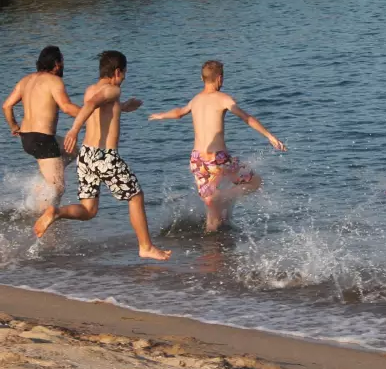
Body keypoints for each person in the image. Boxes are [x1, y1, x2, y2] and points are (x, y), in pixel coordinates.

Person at [33, 51, 171, 261]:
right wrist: (73, 130)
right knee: (136, 196)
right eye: (124, 73)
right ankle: (146, 246)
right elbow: (92, 105)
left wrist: (123, 107)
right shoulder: (113, 90)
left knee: (89, 210)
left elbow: (98, 107)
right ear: (117, 72)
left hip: (87, 156)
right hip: (104, 156)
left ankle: (56, 212)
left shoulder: (92, 89)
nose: (124, 78)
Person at [149, 60, 286, 232]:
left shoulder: (195, 100)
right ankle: (224, 197)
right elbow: (246, 117)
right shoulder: (224, 99)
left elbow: (178, 113)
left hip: (197, 159)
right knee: (256, 182)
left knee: (211, 213)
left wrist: (161, 115)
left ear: (202, 78)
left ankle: (211, 245)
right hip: (218, 159)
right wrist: (270, 136)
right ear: (220, 78)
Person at [2, 46, 81, 210]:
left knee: (73, 150)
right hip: (43, 139)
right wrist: (90, 114)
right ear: (57, 64)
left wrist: (14, 126)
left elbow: (6, 106)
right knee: (58, 187)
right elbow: (66, 107)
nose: (63, 65)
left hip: (27, 138)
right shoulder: (54, 81)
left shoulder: (26, 80)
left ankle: (43, 183)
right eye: (63, 61)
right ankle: (44, 218)